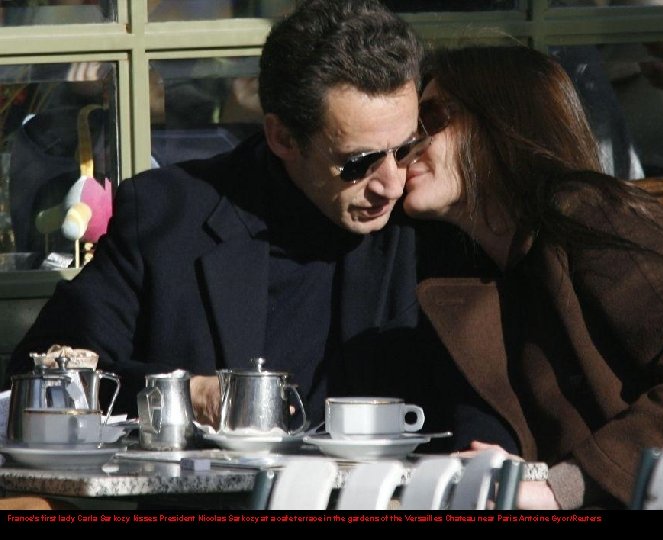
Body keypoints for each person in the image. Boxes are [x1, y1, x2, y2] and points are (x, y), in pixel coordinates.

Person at [4, 0, 428, 429]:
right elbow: (42, 376)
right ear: (282, 137)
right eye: (358, 163)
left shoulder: (427, 218)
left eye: (407, 148)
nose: (391, 183)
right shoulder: (168, 215)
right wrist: (183, 396)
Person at [404, 45, 663, 509]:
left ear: (499, 120)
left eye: (429, 118)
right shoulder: (481, 265)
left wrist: (563, 486)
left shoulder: (591, 213)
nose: (409, 144)